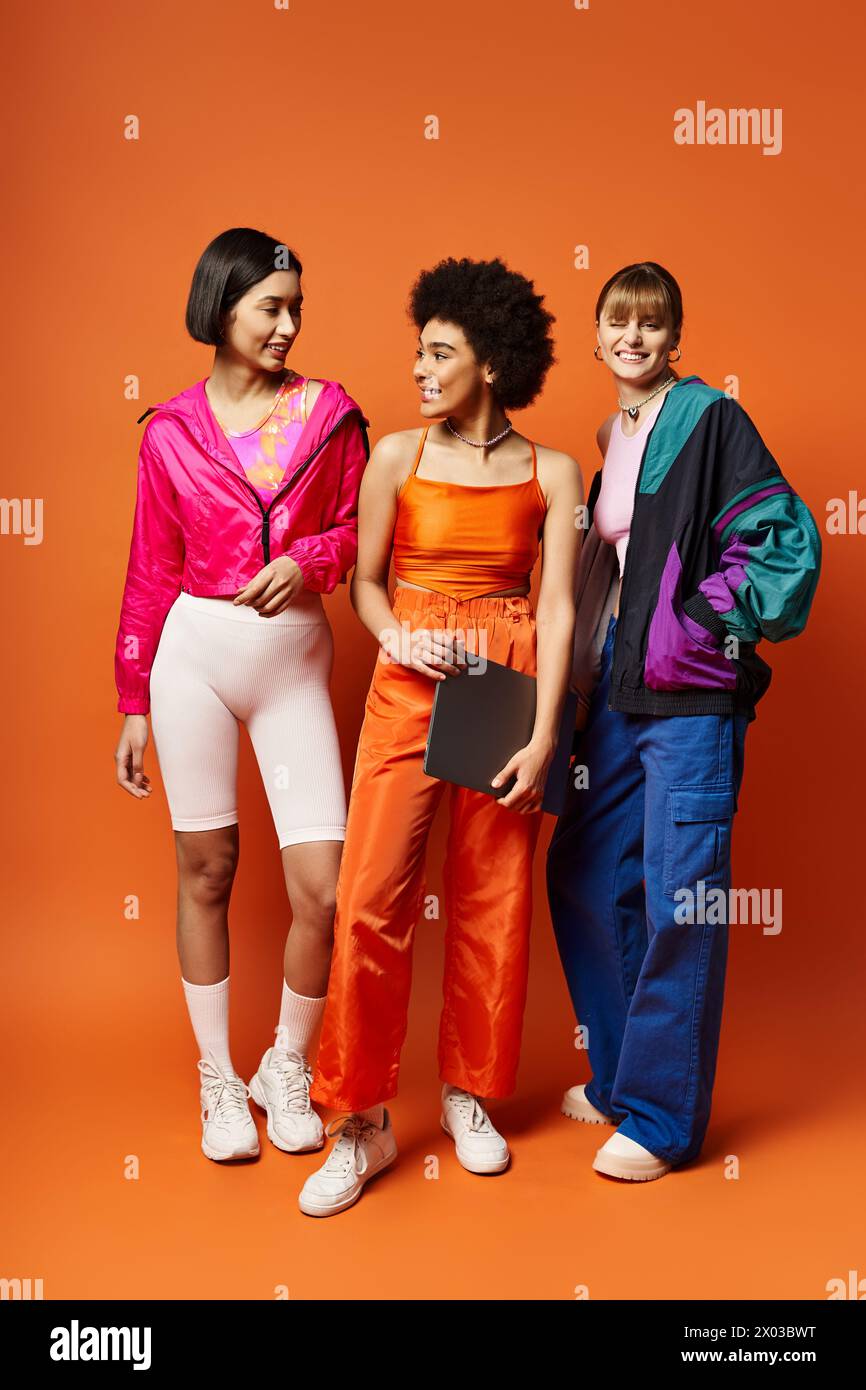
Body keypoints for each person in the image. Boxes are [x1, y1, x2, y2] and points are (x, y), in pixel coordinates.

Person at [298, 256, 583, 1216]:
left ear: (491, 362)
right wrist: (395, 639)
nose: (419, 369)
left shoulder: (553, 471)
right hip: (411, 680)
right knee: (370, 896)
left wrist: (545, 738)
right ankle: (360, 1120)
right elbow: (363, 582)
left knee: (492, 899)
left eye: (440, 353)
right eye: (418, 351)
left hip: (506, 677)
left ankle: (468, 1092)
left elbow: (560, 610)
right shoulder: (395, 458)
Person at [547, 261, 821, 1181]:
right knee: (584, 871)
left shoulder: (711, 421)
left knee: (680, 892)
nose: (633, 338)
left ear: (674, 338)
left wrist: (704, 623)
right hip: (622, 686)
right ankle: (627, 1080)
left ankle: (663, 1123)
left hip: (694, 692)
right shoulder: (613, 438)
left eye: (651, 324)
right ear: (596, 335)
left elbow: (783, 542)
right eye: (617, 322)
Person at [113, 227, 370, 1163]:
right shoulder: (172, 430)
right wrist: (133, 701)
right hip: (193, 658)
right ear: (221, 306)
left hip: (293, 660)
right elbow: (150, 569)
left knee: (323, 891)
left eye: (297, 306)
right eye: (272, 305)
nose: (289, 324)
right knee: (207, 870)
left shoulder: (331, 416)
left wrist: (309, 561)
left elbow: (353, 532)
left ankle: (284, 1066)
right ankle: (219, 1081)